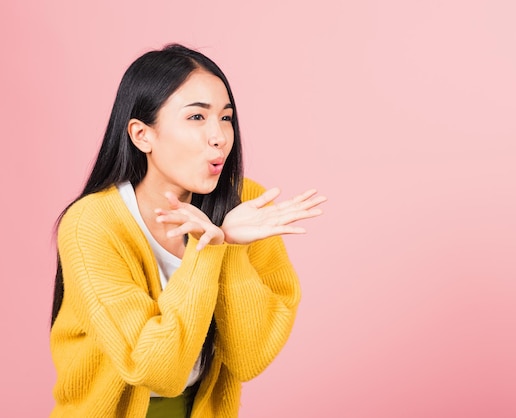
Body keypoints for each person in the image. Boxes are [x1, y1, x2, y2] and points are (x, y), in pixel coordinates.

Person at [50, 43, 326, 417]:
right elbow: (154, 370)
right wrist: (210, 248)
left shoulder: (247, 205)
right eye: (197, 118)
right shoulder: (92, 224)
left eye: (226, 118)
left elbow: (250, 357)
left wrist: (227, 243)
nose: (219, 137)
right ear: (142, 135)